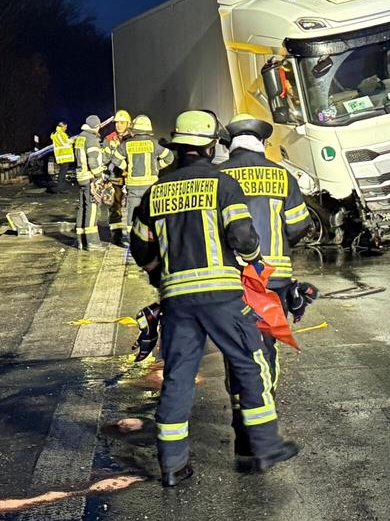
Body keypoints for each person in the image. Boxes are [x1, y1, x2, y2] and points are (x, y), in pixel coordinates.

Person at [129, 110, 298, 487]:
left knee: (177, 378)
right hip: (222, 296)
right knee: (249, 363)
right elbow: (242, 235)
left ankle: (173, 466)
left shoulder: (157, 191)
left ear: (176, 146)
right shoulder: (221, 185)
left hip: (177, 301)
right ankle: (265, 444)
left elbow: (140, 247)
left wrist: (160, 274)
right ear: (208, 146)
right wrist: (254, 261)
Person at [220, 113, 312, 458]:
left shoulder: (219, 175)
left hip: (233, 282)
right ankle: (262, 412)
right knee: (265, 349)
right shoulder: (281, 176)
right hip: (272, 283)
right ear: (262, 143)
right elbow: (300, 226)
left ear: (230, 144)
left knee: (237, 352)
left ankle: (242, 420)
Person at [110, 114, 173, 238]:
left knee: (132, 211)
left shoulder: (127, 144)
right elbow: (169, 157)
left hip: (133, 185)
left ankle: (132, 237)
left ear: (134, 130)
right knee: (150, 211)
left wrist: (126, 167)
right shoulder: (154, 143)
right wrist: (157, 167)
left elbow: (115, 159)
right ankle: (149, 237)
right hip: (150, 185)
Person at [73, 114, 107, 251]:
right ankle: (92, 242)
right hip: (90, 178)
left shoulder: (80, 137)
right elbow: (92, 161)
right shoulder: (91, 138)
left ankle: (81, 240)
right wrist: (99, 175)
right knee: (92, 209)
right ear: (96, 126)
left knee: (83, 208)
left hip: (81, 177)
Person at [104, 110, 133, 246]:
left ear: (128, 123)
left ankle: (136, 235)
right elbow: (105, 158)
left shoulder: (133, 138)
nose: (119, 125)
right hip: (116, 177)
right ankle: (116, 235)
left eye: (122, 123)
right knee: (115, 206)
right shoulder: (109, 139)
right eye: (117, 123)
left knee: (135, 207)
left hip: (132, 178)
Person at [50, 121, 74, 190]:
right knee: (62, 173)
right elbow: (65, 143)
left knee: (62, 172)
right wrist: (72, 141)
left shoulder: (58, 134)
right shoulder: (60, 134)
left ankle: (61, 187)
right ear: (62, 126)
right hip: (63, 156)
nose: (66, 129)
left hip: (62, 156)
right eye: (65, 127)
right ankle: (60, 188)